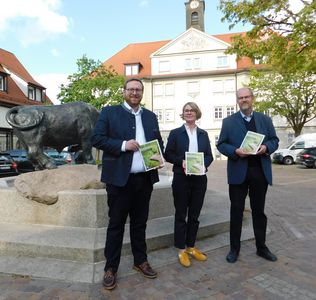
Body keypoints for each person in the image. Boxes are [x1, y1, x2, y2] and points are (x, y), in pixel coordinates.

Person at [91, 78, 164, 290]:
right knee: (115, 225)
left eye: (138, 90)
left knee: (140, 223)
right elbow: (96, 139)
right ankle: (110, 267)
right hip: (119, 180)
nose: (134, 92)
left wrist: (159, 156)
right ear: (124, 91)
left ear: (142, 92)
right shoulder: (109, 112)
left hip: (145, 179)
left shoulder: (150, 116)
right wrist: (123, 145)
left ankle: (140, 261)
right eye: (131, 89)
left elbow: (158, 141)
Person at [217, 87, 279, 264]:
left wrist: (266, 147)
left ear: (252, 98)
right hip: (238, 171)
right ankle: (234, 249)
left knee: (259, 211)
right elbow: (221, 144)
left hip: (260, 171)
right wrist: (235, 151)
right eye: (240, 98)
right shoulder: (228, 121)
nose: (244, 100)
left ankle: (261, 247)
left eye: (246, 97)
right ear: (237, 101)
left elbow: (274, 140)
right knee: (236, 211)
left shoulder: (265, 119)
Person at [164, 102, 213, 267]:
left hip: (199, 179)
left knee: (194, 215)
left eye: (192, 110)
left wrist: (203, 164)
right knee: (180, 214)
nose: (189, 113)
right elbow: (168, 154)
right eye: (186, 110)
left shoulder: (203, 134)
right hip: (181, 178)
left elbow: (209, 156)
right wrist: (182, 161)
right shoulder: (176, 133)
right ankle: (181, 249)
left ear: (197, 113)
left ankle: (191, 246)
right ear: (183, 114)